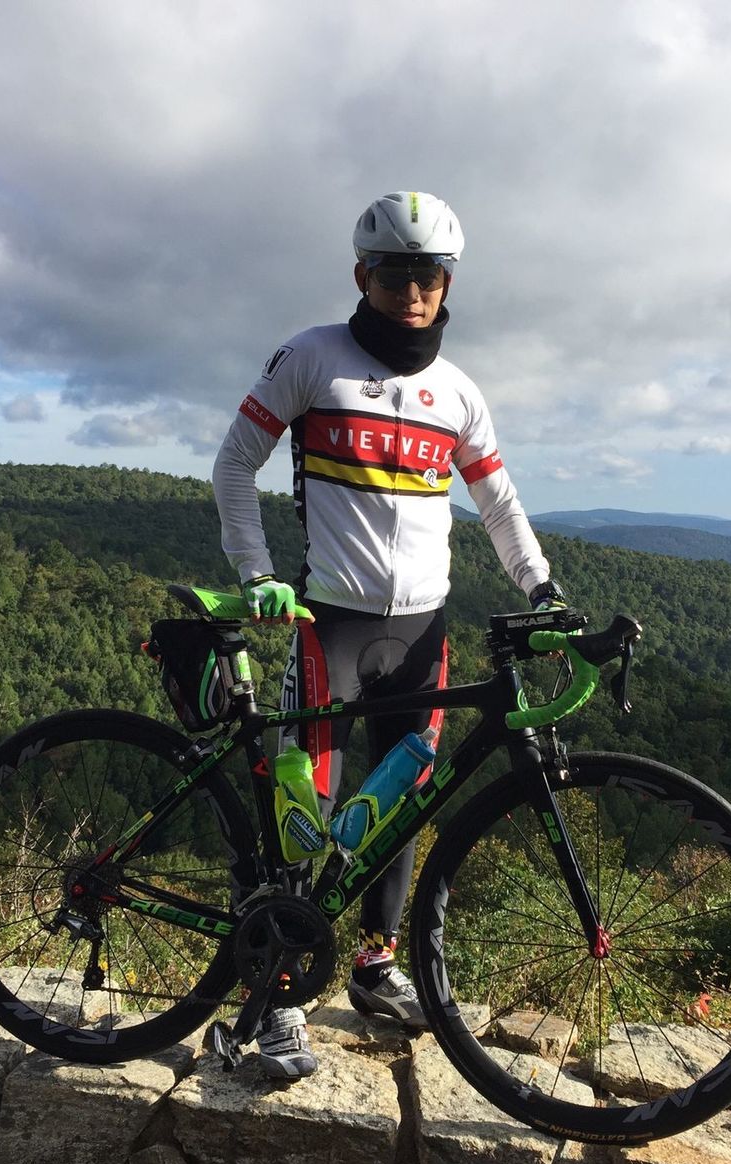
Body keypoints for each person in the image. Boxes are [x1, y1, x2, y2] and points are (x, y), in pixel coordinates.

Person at [211, 190, 565, 1079]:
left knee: (401, 802)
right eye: (396, 274)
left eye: (429, 276)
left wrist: (542, 587)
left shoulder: (458, 393)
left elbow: (498, 504)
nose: (413, 291)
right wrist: (256, 575)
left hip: (421, 630)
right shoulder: (312, 357)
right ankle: (279, 994)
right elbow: (234, 465)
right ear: (362, 276)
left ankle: (374, 964)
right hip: (329, 623)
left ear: (447, 284)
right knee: (307, 807)